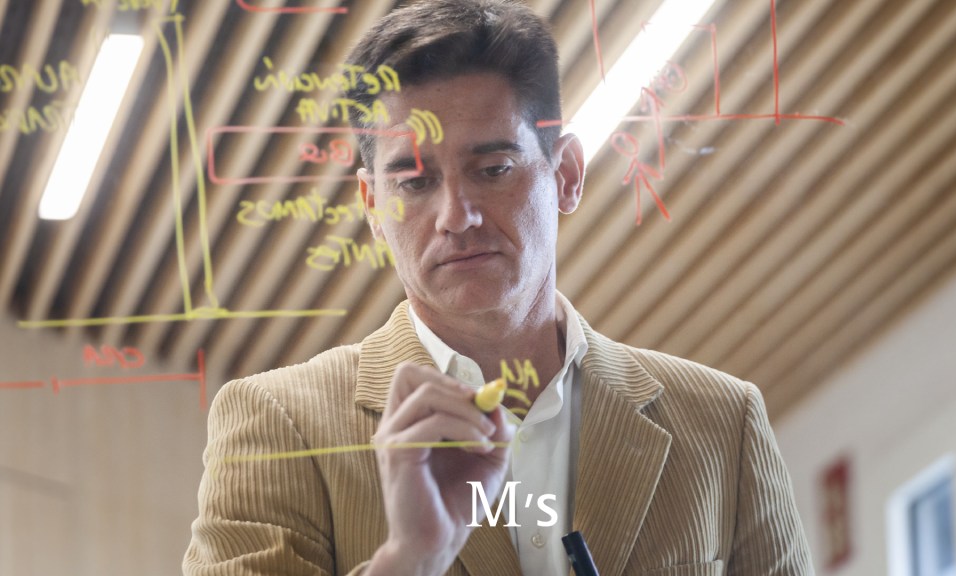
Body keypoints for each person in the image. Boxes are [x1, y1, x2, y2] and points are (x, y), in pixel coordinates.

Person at [184, 0, 814, 574]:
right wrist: (409, 560)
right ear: (372, 205)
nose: (456, 216)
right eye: (414, 183)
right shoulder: (278, 426)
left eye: (493, 169)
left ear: (566, 174)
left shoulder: (722, 423)